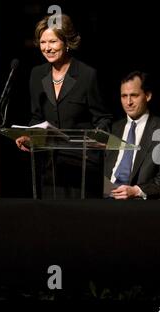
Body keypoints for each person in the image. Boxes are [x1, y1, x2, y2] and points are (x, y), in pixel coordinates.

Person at [15, 14, 112, 198]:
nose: (47, 48)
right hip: (50, 167)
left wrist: (97, 138)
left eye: (53, 41)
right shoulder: (36, 75)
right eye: (43, 42)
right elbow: (36, 117)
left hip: (81, 166)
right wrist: (29, 134)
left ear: (67, 42)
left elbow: (103, 117)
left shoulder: (87, 75)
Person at [104, 71, 160, 200]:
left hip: (139, 203)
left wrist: (137, 191)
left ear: (147, 96)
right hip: (105, 199)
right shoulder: (113, 128)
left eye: (134, 95)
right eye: (123, 96)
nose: (128, 102)